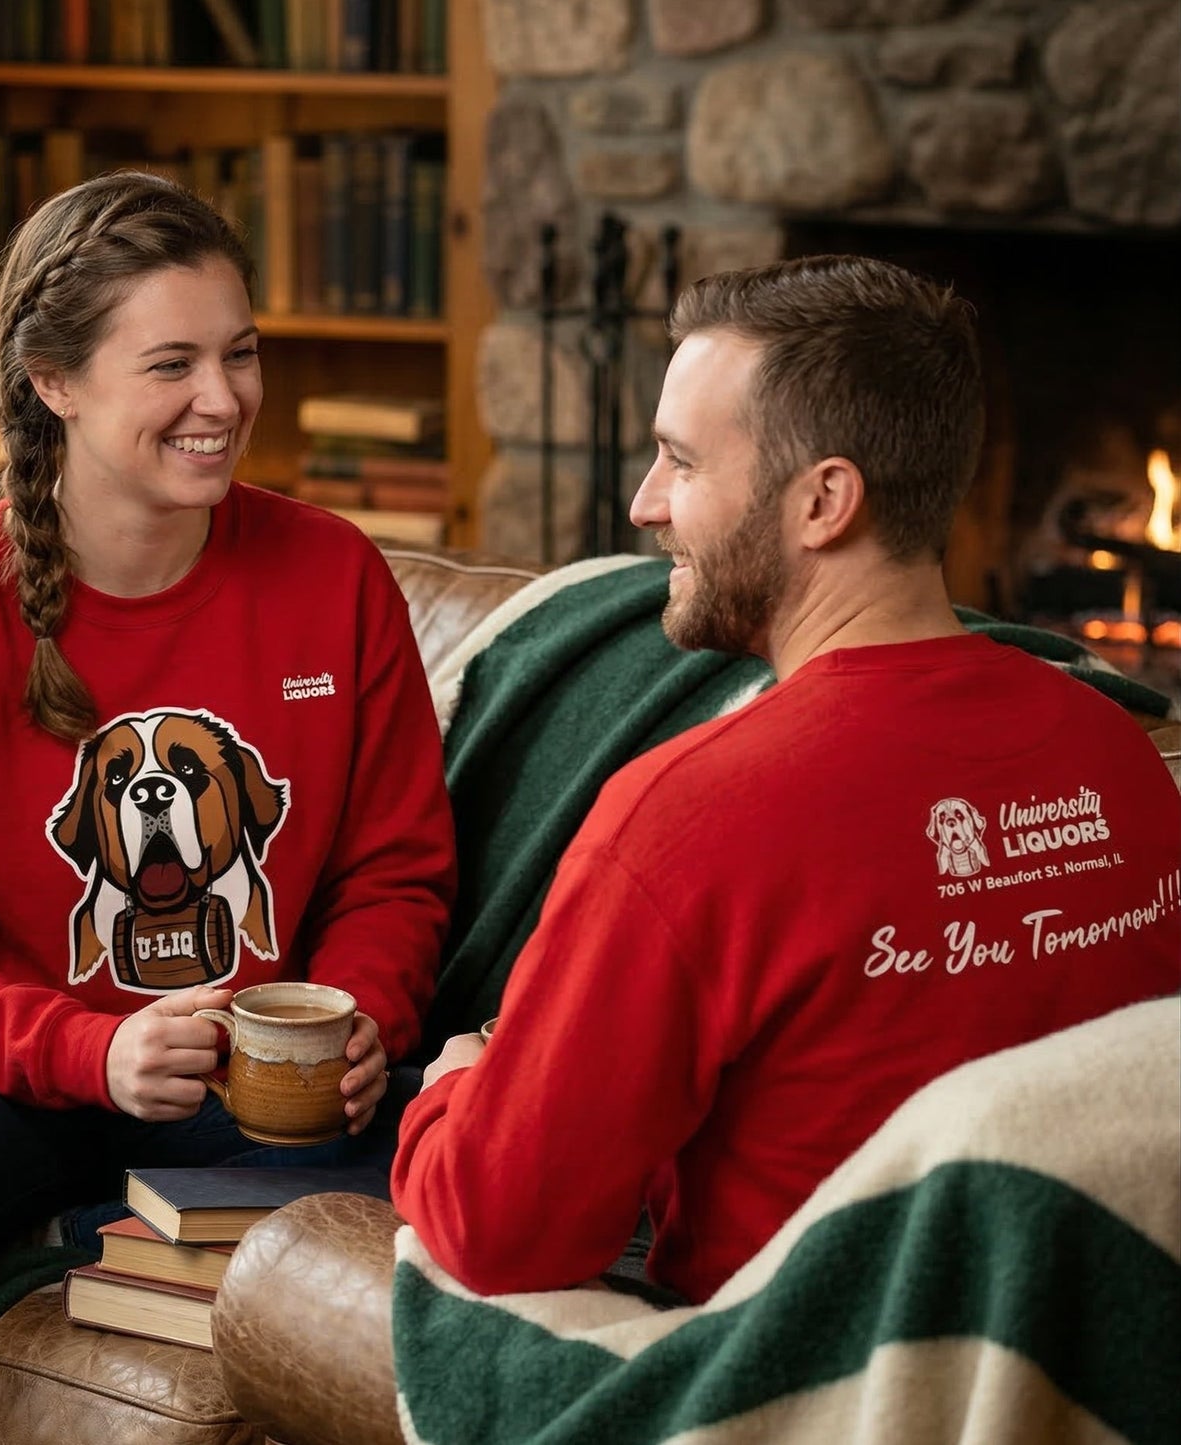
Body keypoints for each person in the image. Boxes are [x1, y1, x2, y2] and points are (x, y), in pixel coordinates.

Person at [0, 170, 455, 1444]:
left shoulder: (334, 576)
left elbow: (395, 869)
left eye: (239, 353)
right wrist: (91, 1051)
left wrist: (364, 1015)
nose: (224, 399)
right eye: (171, 362)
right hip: (2, 1078)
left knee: (489, 1141)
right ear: (53, 381)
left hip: (257, 1089)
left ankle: (80, 1226)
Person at [390, 254, 1181, 1305]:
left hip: (791, 1362)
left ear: (822, 501)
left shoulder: (690, 811)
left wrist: (449, 1094)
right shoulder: (1117, 752)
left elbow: (498, 1228)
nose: (642, 504)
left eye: (679, 461)